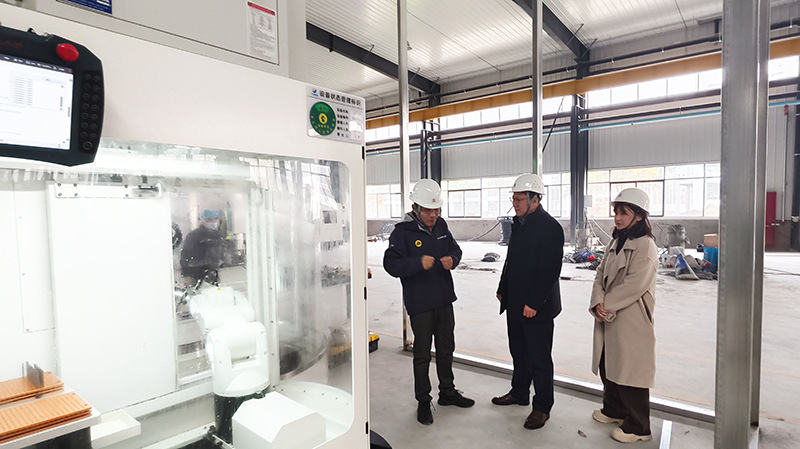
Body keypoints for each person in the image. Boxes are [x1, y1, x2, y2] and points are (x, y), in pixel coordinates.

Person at [383, 178, 474, 426]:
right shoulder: (402, 232)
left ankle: (447, 392)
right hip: (420, 303)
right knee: (422, 354)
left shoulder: (441, 225)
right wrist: (416, 263)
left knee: (446, 348)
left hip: (443, 300)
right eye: (428, 210)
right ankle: (423, 400)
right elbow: (390, 264)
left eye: (437, 209)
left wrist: (453, 259)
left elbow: (455, 249)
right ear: (416, 208)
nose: (434, 215)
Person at [492, 173, 564, 430]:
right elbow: (511, 261)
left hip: (537, 308)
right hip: (515, 302)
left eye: (520, 199)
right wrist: (503, 289)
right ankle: (519, 392)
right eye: (513, 199)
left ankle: (542, 407)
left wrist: (533, 303)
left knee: (539, 358)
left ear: (535, 199)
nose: (515, 204)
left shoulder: (550, 227)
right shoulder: (519, 224)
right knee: (519, 352)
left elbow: (549, 271)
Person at [589, 188, 658, 443]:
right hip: (610, 312)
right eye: (616, 212)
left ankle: (639, 426)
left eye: (623, 213)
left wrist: (606, 304)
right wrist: (598, 300)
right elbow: (600, 272)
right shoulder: (616, 240)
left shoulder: (645, 245)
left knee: (631, 370)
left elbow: (635, 284)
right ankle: (615, 410)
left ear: (639, 216)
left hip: (631, 317)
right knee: (609, 364)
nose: (617, 218)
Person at [180, 209, 226, 283]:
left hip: (212, 274)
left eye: (215, 219)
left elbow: (220, 255)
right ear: (203, 220)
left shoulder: (218, 236)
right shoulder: (194, 236)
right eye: (209, 220)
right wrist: (186, 275)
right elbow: (185, 257)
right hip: (195, 274)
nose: (212, 222)